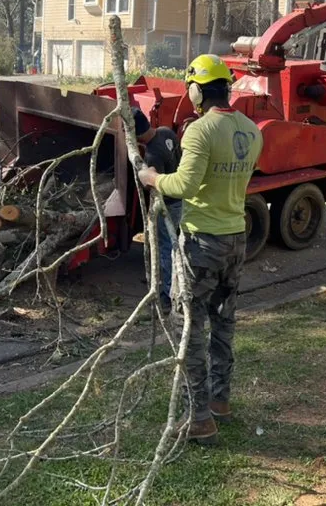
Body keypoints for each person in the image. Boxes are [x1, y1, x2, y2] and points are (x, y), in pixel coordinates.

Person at [137, 54, 262, 446]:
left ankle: (199, 418)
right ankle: (220, 400)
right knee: (224, 321)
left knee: (189, 327)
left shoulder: (200, 131)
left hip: (203, 243)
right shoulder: (251, 130)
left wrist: (152, 177)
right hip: (236, 239)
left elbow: (185, 186)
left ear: (195, 89)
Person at [132, 108, 181, 314]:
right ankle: (158, 280)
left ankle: (168, 295)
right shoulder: (166, 131)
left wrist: (144, 175)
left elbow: (152, 185)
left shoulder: (153, 155)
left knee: (165, 247)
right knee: (167, 243)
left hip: (167, 204)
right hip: (180, 199)